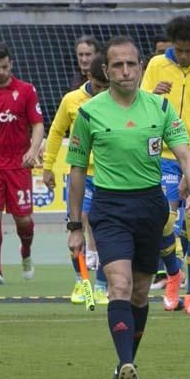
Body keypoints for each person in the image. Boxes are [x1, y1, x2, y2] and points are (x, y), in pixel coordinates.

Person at [66, 37, 190, 379]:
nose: (125, 71)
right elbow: (77, 171)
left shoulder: (159, 108)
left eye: (131, 64)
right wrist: (75, 225)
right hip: (110, 209)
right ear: (106, 71)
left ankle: (125, 365)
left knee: (140, 293)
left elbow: (186, 155)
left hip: (151, 208)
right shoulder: (89, 112)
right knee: (120, 286)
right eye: (117, 66)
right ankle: (126, 363)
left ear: (141, 67)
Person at [141, 16, 190, 314]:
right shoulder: (156, 65)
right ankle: (174, 275)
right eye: (178, 49)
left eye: (188, 50)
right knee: (164, 220)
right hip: (163, 155)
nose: (183, 55)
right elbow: (138, 103)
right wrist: (152, 95)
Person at [43, 55, 110, 303]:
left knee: (104, 231)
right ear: (89, 78)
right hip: (81, 174)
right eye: (100, 86)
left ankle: (102, 286)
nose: (103, 92)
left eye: (107, 87)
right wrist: (47, 166)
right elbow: (56, 131)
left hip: (108, 175)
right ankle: (81, 283)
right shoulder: (71, 100)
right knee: (77, 225)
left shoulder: (117, 100)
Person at [0, 43, 44, 286]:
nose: (0, 71)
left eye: (4, 67)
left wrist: (33, 149)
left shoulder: (26, 90)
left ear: (11, 65)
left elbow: (38, 124)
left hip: (19, 166)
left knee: (24, 220)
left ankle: (26, 251)